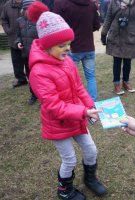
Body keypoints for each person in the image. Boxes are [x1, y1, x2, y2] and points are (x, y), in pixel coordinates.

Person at [27, 2, 107, 199]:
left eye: (68, 44)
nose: (67, 49)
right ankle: (65, 190)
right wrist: (82, 112)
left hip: (77, 118)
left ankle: (90, 178)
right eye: (61, 45)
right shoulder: (39, 72)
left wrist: (90, 106)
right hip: (58, 124)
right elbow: (54, 106)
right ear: (46, 45)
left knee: (91, 149)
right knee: (69, 159)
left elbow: (79, 88)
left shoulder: (67, 61)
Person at [53, 0, 101, 102]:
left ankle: (75, 102)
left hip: (71, 48)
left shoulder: (61, 4)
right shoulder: (91, 4)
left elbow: (55, 26)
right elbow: (96, 25)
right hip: (88, 47)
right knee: (90, 77)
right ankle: (93, 101)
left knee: (71, 79)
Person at [100, 0, 135, 95]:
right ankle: (116, 83)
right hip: (116, 35)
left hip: (130, 35)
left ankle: (126, 81)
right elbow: (108, 17)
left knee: (127, 61)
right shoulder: (114, 1)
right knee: (116, 61)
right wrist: (103, 33)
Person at [14, 0, 38, 105]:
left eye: (31, 9)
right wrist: (18, 42)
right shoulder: (19, 21)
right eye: (26, 9)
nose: (28, 11)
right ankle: (33, 95)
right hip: (26, 55)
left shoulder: (39, 20)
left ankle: (44, 96)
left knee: (41, 76)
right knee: (30, 76)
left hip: (38, 55)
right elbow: (18, 36)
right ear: (23, 10)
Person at [1, 0, 28, 88]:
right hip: (13, 37)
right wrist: (8, 30)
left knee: (29, 60)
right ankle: (21, 79)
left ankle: (32, 78)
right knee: (16, 60)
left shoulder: (28, 3)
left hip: (26, 37)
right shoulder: (7, 5)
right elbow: (4, 19)